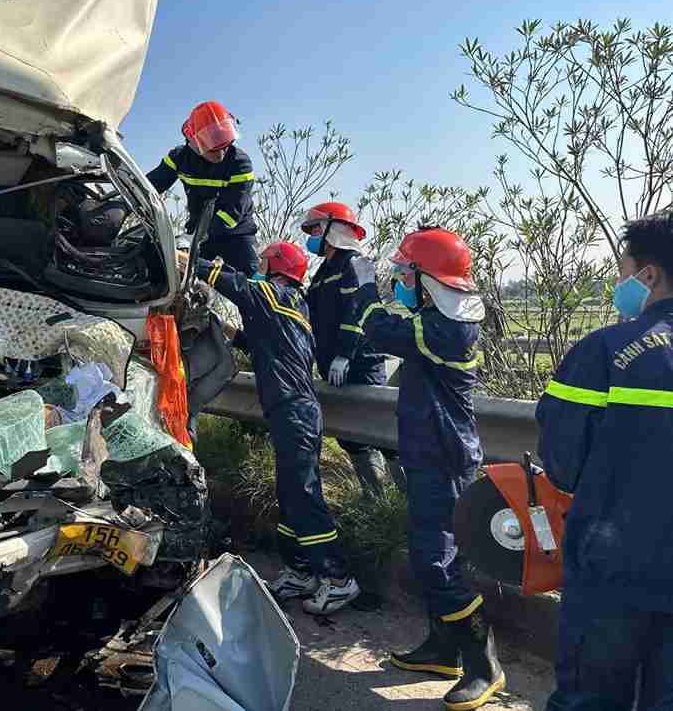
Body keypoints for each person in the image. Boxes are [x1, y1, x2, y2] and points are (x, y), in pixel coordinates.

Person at [350, 227, 505, 711]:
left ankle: (484, 665)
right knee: (432, 554)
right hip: (429, 451)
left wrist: (365, 290)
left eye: (403, 273)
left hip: (444, 457)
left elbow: (376, 326)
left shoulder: (447, 328)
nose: (397, 279)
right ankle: (442, 650)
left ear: (427, 279)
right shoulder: (436, 316)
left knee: (437, 560)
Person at [536, 210, 673, 711]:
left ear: (648, 275)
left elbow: (562, 464)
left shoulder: (606, 351)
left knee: (591, 698)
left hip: (615, 568)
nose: (621, 283)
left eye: (623, 271)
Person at [184, 241, 360, 614]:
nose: (259, 266)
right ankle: (300, 572)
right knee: (291, 495)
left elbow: (230, 281)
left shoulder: (273, 293)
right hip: (292, 413)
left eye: (265, 262)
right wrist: (226, 331)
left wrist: (185, 259)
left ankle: (339, 578)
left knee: (303, 496)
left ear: (277, 267)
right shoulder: (289, 307)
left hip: (295, 413)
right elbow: (262, 343)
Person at [300, 201, 403, 496]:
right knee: (353, 436)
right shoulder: (322, 272)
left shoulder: (354, 264)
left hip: (361, 363)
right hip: (333, 366)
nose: (313, 235)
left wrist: (345, 353)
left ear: (336, 230)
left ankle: (405, 501)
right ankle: (376, 499)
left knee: (381, 433)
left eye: (317, 228)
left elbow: (355, 313)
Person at [147, 101, 259, 275]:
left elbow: (233, 211)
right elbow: (152, 185)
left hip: (236, 233)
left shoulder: (240, 163)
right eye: (213, 148)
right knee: (178, 276)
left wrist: (199, 236)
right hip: (199, 231)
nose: (221, 154)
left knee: (250, 280)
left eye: (225, 145)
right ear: (194, 141)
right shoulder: (179, 158)